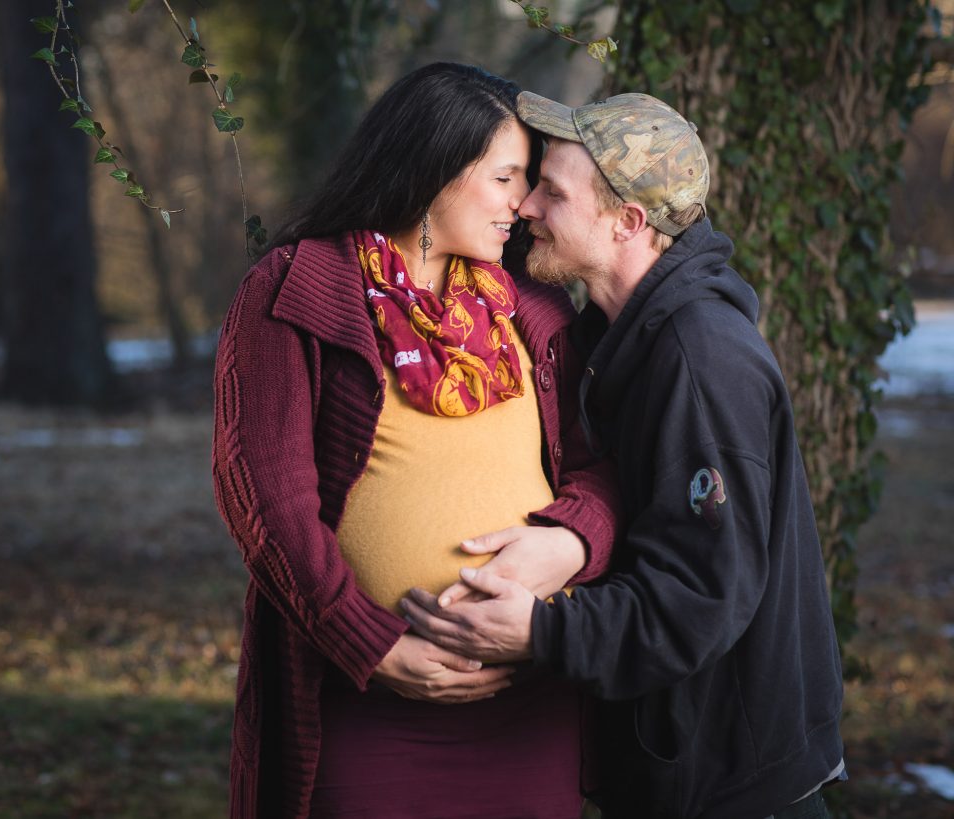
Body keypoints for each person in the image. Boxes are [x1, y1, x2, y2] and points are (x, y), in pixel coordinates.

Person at [401, 91, 846, 819]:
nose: (528, 207)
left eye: (553, 191)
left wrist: (543, 630)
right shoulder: (622, 336)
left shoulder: (698, 359)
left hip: (730, 785)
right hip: (679, 766)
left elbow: (702, 596)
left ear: (629, 223)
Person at [211, 62, 620, 819]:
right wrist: (373, 644)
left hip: (530, 705)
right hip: (363, 699)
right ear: (436, 167)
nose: (524, 204)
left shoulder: (532, 303)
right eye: (506, 178)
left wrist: (570, 544)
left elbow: (601, 468)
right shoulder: (294, 288)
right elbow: (266, 501)